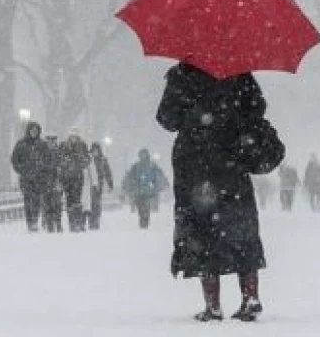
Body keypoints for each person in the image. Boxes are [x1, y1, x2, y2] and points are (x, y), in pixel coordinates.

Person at [157, 62, 285, 323]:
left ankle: (212, 305)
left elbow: (167, 120)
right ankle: (250, 297)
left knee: (201, 234)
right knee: (241, 230)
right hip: (232, 164)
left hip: (196, 168)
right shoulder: (239, 72)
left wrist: (193, 109)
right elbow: (257, 110)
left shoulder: (183, 74)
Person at [11, 121, 53, 232]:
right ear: (28, 131)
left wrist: (44, 171)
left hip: (39, 179)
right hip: (26, 178)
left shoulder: (42, 145)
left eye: (36, 131)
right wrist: (21, 169)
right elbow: (14, 159)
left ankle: (34, 221)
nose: (34, 132)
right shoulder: (21, 144)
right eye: (32, 130)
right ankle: (30, 222)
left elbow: (48, 160)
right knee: (27, 201)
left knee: (36, 201)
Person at [122, 149, 168, 229]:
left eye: (144, 154)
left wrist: (162, 184)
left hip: (148, 192)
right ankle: (142, 223)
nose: (143, 156)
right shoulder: (136, 166)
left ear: (147, 155)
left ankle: (145, 224)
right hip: (138, 192)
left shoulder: (152, 166)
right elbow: (129, 177)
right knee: (140, 209)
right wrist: (127, 185)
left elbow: (159, 175)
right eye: (142, 154)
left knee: (146, 209)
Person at [59, 129, 92, 232]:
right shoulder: (64, 146)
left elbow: (87, 159)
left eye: (75, 137)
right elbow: (59, 159)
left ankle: (78, 222)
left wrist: (81, 162)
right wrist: (65, 163)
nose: (73, 138)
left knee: (77, 201)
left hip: (78, 177)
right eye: (72, 136)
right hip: (67, 178)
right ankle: (72, 223)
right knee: (69, 201)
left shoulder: (82, 146)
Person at [86, 142, 114, 230]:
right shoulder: (88, 160)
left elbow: (108, 173)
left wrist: (110, 184)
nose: (95, 152)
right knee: (90, 204)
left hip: (99, 185)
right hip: (89, 185)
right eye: (93, 150)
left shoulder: (102, 160)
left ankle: (96, 221)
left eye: (96, 150)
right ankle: (91, 222)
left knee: (97, 204)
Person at [41, 135, 65, 232]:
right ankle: (50, 224)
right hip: (46, 183)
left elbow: (62, 166)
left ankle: (58, 224)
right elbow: (41, 167)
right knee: (48, 205)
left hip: (57, 182)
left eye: (53, 141)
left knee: (58, 205)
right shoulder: (43, 153)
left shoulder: (59, 153)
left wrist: (60, 172)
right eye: (49, 141)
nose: (51, 143)